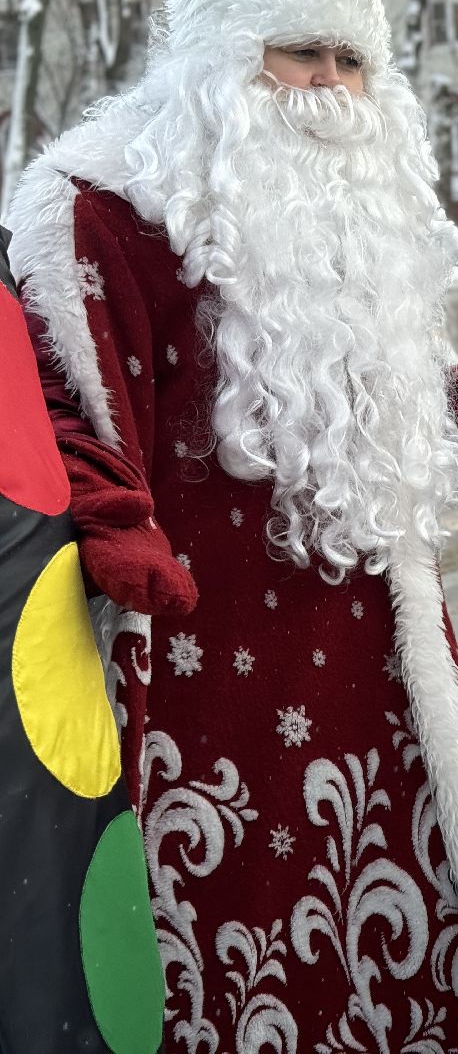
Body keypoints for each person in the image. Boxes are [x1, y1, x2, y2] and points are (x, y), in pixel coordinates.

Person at [6, 0, 458, 1050]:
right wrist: (104, 507)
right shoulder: (95, 211)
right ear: (224, 54)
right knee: (219, 949)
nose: (329, 86)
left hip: (379, 667)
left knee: (420, 923)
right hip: (192, 674)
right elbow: (48, 401)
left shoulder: (350, 204)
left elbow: (367, 383)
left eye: (351, 59)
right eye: (300, 51)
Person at [0, 225, 166, 1051]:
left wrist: (109, 516)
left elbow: (59, 411)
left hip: (41, 685)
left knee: (73, 949)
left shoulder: (8, 271)